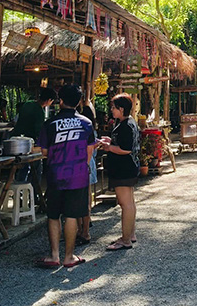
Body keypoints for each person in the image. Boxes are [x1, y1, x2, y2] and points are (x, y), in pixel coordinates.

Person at [36, 84, 95, 268]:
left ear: (60, 101)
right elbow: (89, 151)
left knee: (53, 215)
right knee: (71, 215)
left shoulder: (50, 124)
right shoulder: (86, 123)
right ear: (78, 103)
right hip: (78, 176)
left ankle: (54, 255)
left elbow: (44, 151)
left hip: (55, 175)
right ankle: (69, 257)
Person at [99, 93, 141, 251]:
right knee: (129, 202)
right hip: (127, 168)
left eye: (114, 107)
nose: (112, 110)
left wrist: (109, 147)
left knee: (125, 204)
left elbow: (125, 149)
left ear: (121, 109)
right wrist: (110, 142)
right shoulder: (128, 123)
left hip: (124, 169)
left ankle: (125, 239)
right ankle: (130, 234)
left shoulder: (126, 125)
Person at [77, 99, 98, 246]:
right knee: (86, 196)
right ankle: (85, 227)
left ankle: (82, 229)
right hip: (88, 164)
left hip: (81, 164)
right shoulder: (91, 128)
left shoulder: (82, 127)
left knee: (79, 198)